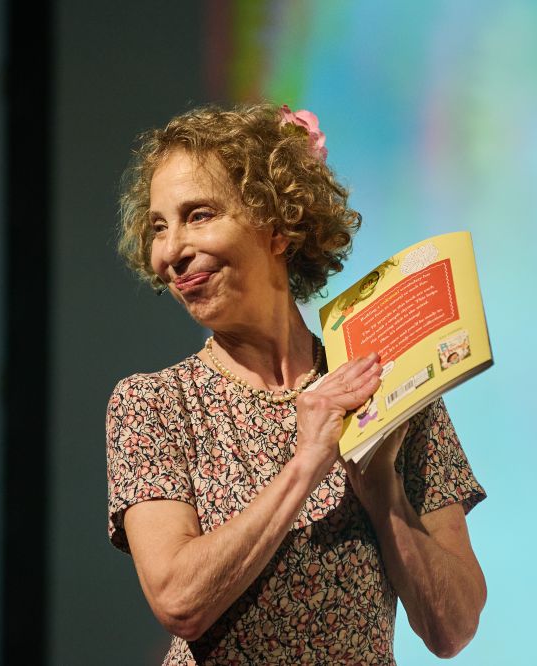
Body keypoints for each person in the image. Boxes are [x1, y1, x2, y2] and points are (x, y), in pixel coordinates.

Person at [107, 103, 487, 664]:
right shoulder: (154, 404)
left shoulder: (381, 379)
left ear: (278, 227)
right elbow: (179, 600)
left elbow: (452, 628)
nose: (172, 250)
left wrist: (380, 487)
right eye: (159, 227)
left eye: (199, 214)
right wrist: (308, 461)